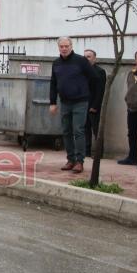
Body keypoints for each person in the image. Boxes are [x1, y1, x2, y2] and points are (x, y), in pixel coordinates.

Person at [49, 37, 98, 174]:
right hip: (65, 102)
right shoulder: (56, 63)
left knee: (78, 130)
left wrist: (84, 91)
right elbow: (53, 83)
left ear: (71, 46)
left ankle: (79, 161)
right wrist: (53, 102)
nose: (64, 49)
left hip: (80, 102)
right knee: (66, 131)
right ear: (58, 48)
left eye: (66, 46)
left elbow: (94, 78)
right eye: (61, 46)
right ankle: (70, 159)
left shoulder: (81, 61)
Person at [83, 49, 107, 157]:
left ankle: (98, 153)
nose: (86, 59)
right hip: (83, 104)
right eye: (85, 57)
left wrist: (95, 105)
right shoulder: (82, 70)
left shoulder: (100, 71)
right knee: (85, 129)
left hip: (93, 105)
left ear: (94, 58)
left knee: (96, 129)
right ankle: (86, 151)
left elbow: (100, 90)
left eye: (89, 56)